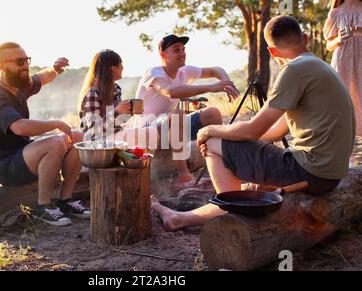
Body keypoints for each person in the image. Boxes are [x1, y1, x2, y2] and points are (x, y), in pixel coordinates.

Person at [152, 16, 356, 231]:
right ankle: (181, 218)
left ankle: (230, 211)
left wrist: (210, 131)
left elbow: (253, 130)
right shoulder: (319, 67)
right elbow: (275, 131)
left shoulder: (294, 70)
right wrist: (236, 142)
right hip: (329, 175)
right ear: (304, 38)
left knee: (212, 142)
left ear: (272, 52)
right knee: (251, 184)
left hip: (310, 170)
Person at [0, 42, 90, 227]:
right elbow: (19, 127)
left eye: (26, 60)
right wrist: (55, 124)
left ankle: (65, 200)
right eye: (19, 61)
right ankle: (43, 206)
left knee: (78, 137)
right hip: (7, 167)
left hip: (24, 155)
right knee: (55, 143)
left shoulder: (19, 86)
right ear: (1, 66)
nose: (25, 65)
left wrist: (55, 69)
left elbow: (42, 77)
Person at [135, 34, 239, 186]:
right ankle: (184, 175)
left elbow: (215, 70)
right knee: (177, 114)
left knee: (213, 113)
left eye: (183, 49)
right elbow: (170, 91)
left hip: (170, 126)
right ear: (163, 55)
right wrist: (210, 87)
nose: (182, 53)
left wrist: (227, 83)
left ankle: (218, 165)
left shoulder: (184, 71)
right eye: (176, 50)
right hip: (147, 130)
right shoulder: (154, 73)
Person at [78, 49, 158, 147]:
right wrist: (117, 111)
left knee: (153, 126)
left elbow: (116, 123)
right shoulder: (93, 93)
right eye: (121, 64)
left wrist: (129, 112)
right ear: (113, 68)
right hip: (96, 143)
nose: (123, 67)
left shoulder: (116, 89)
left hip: (113, 136)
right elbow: (93, 131)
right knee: (150, 133)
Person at [324, 0, 362, 136]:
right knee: (342, 101)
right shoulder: (335, 13)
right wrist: (338, 39)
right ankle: (346, 153)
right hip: (343, 62)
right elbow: (328, 45)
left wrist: (358, 30)